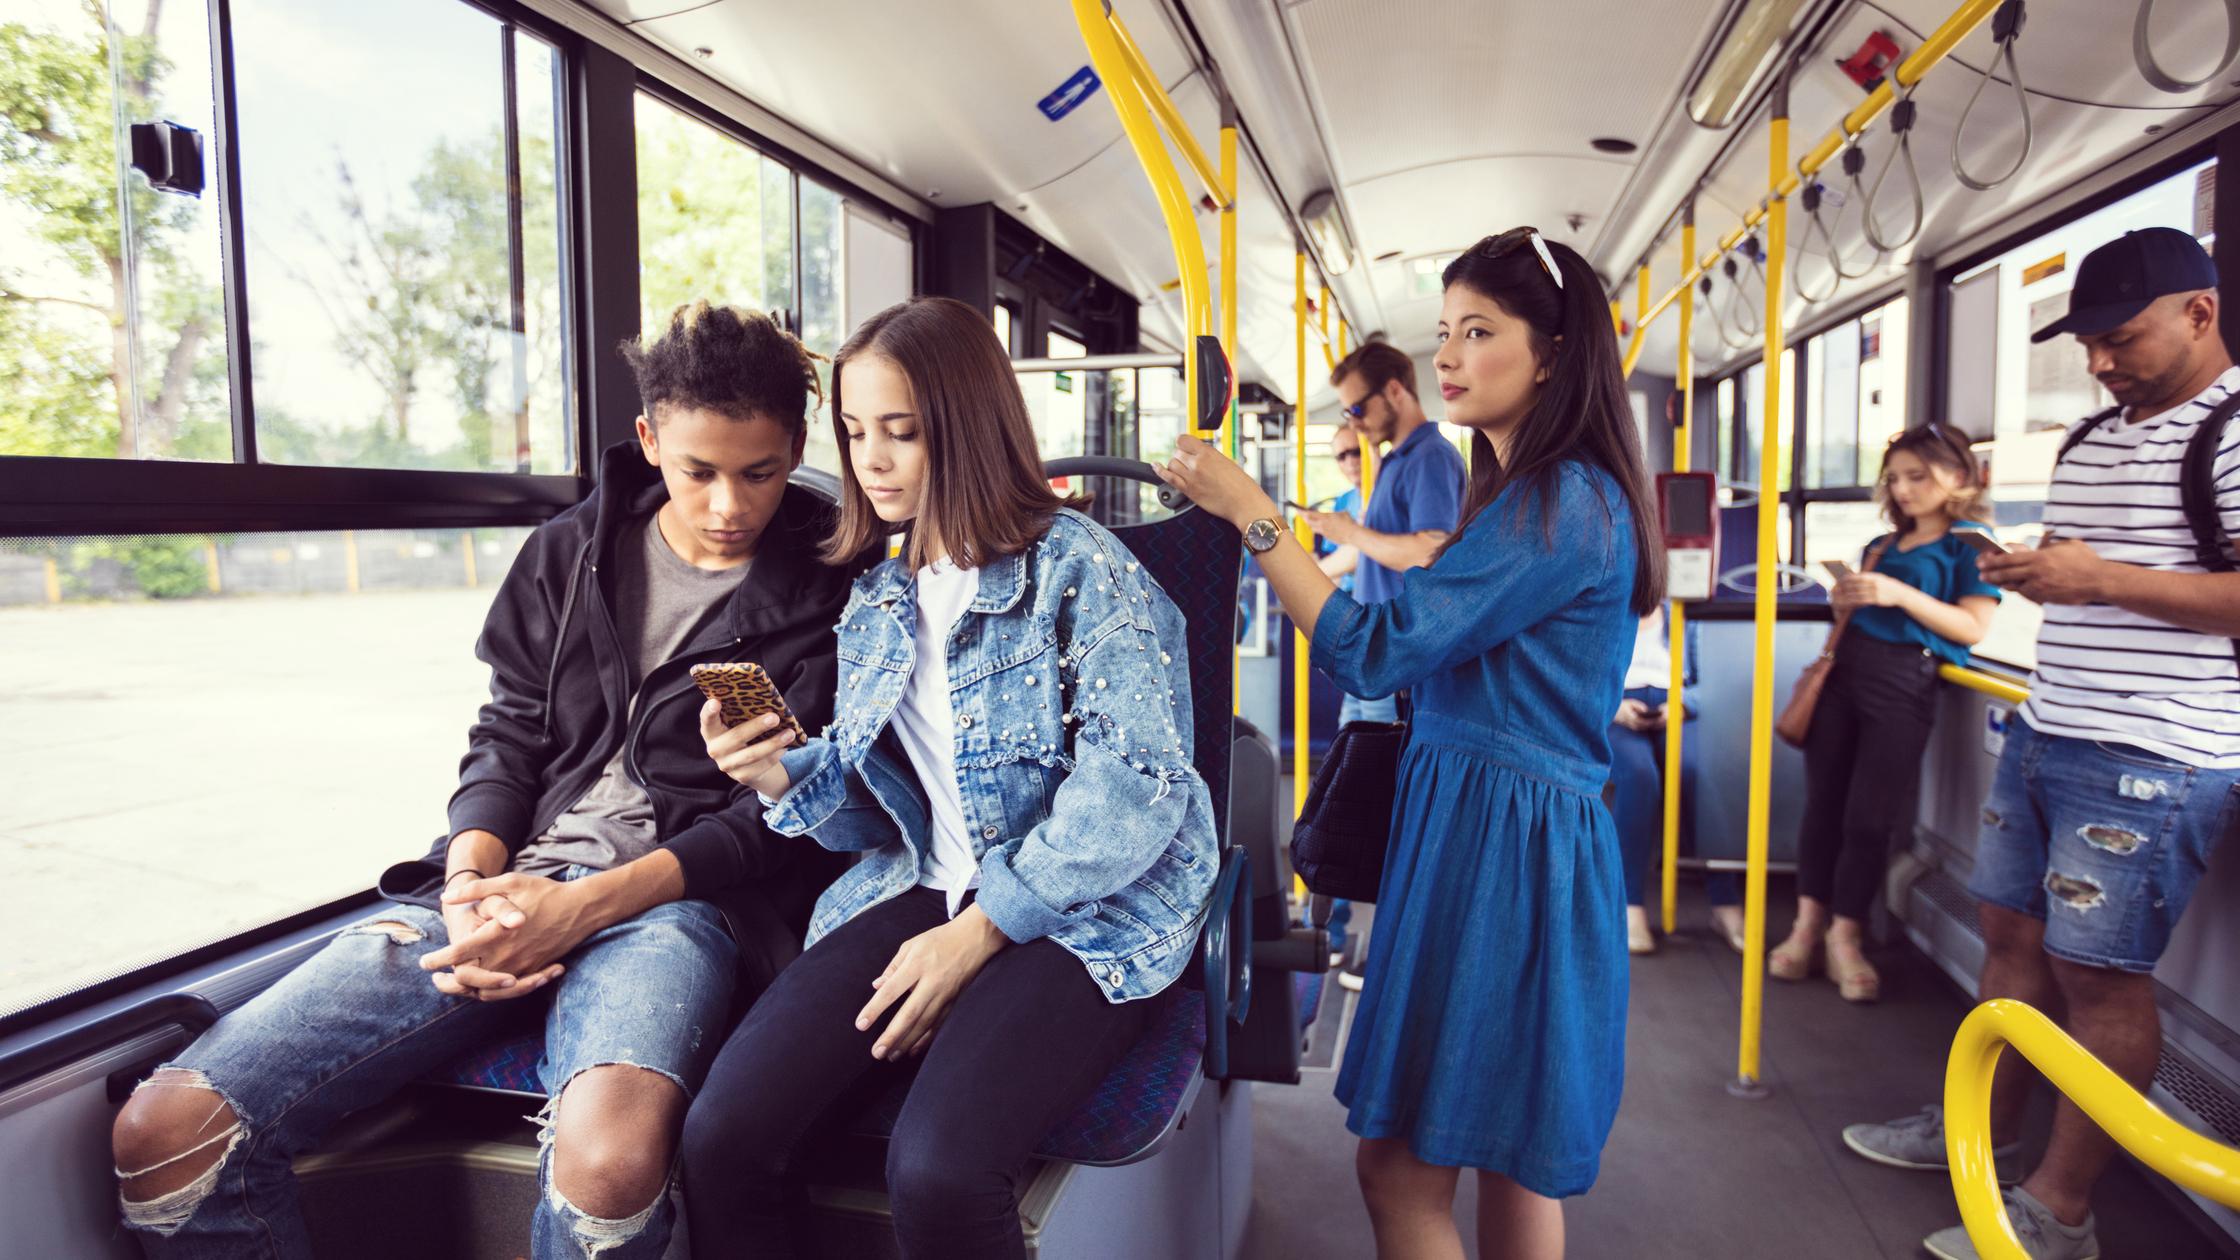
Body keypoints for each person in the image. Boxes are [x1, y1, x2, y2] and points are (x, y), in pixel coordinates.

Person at [108, 303, 867, 1259]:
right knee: (167, 1134)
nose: (728, 506)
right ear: (648, 441)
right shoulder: (567, 553)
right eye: (697, 472)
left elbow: (776, 825)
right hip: (504, 879)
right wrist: (469, 882)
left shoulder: (841, 582)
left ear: (796, 447)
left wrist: (581, 908)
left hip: (677, 903)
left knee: (607, 1174)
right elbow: (508, 736)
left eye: (758, 473)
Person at [1160, 227, 1664, 1260]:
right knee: (1508, 1163)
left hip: (1496, 849)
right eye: (1444, 332)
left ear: (1553, 354)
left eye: (1477, 332)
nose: (1446, 356)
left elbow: (1373, 650)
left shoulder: (1557, 499)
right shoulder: (1544, 495)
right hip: (1516, 833)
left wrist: (1255, 515)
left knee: (1398, 1172)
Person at [678, 296, 1217, 1260]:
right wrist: (779, 775)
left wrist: (976, 934)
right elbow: (884, 813)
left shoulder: (1083, 570)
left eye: (903, 432)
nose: (872, 461)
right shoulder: (882, 597)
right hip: (930, 882)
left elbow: (1135, 788)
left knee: (939, 1171)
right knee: (723, 1137)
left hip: (1094, 906)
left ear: (966, 426)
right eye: (854, 432)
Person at [1845, 228, 2240, 1260]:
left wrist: (2096, 579)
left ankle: (2058, 1214)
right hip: (2045, 724)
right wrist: (2041, 572)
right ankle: (1977, 1135)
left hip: (2152, 752)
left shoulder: (2233, 430)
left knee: (2099, 977)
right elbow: (2097, 572)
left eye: (2120, 339)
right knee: (2008, 939)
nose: (2099, 362)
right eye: (2087, 344)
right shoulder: (2089, 438)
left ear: (2199, 313)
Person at [1768, 425, 2001, 1003]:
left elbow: (1972, 627)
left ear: (1957, 476)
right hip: (1845, 673)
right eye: (1894, 479)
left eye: (1917, 476)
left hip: (1905, 681)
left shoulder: (1972, 545)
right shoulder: (1883, 545)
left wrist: (1898, 595)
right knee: (1823, 806)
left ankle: (1845, 935)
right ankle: (1807, 925)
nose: (1903, 490)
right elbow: (1856, 614)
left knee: (1869, 817)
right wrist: (1847, 597)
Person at [1298, 339, 1469, 727]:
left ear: (1394, 390)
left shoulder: (1430, 457)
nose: (1354, 423)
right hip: (1373, 649)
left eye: (1357, 409)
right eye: (1347, 413)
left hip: (1398, 655)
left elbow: (1429, 551)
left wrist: (1352, 532)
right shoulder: (1395, 460)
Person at [1608, 608, 1744, 955]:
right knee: (1640, 776)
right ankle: (1629, 905)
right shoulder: (1607, 605)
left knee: (1694, 772)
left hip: (1675, 705)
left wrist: (1681, 705)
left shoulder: (1684, 616)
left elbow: (1709, 679)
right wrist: (1613, 707)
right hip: (1619, 707)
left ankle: (1724, 902)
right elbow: (1585, 673)